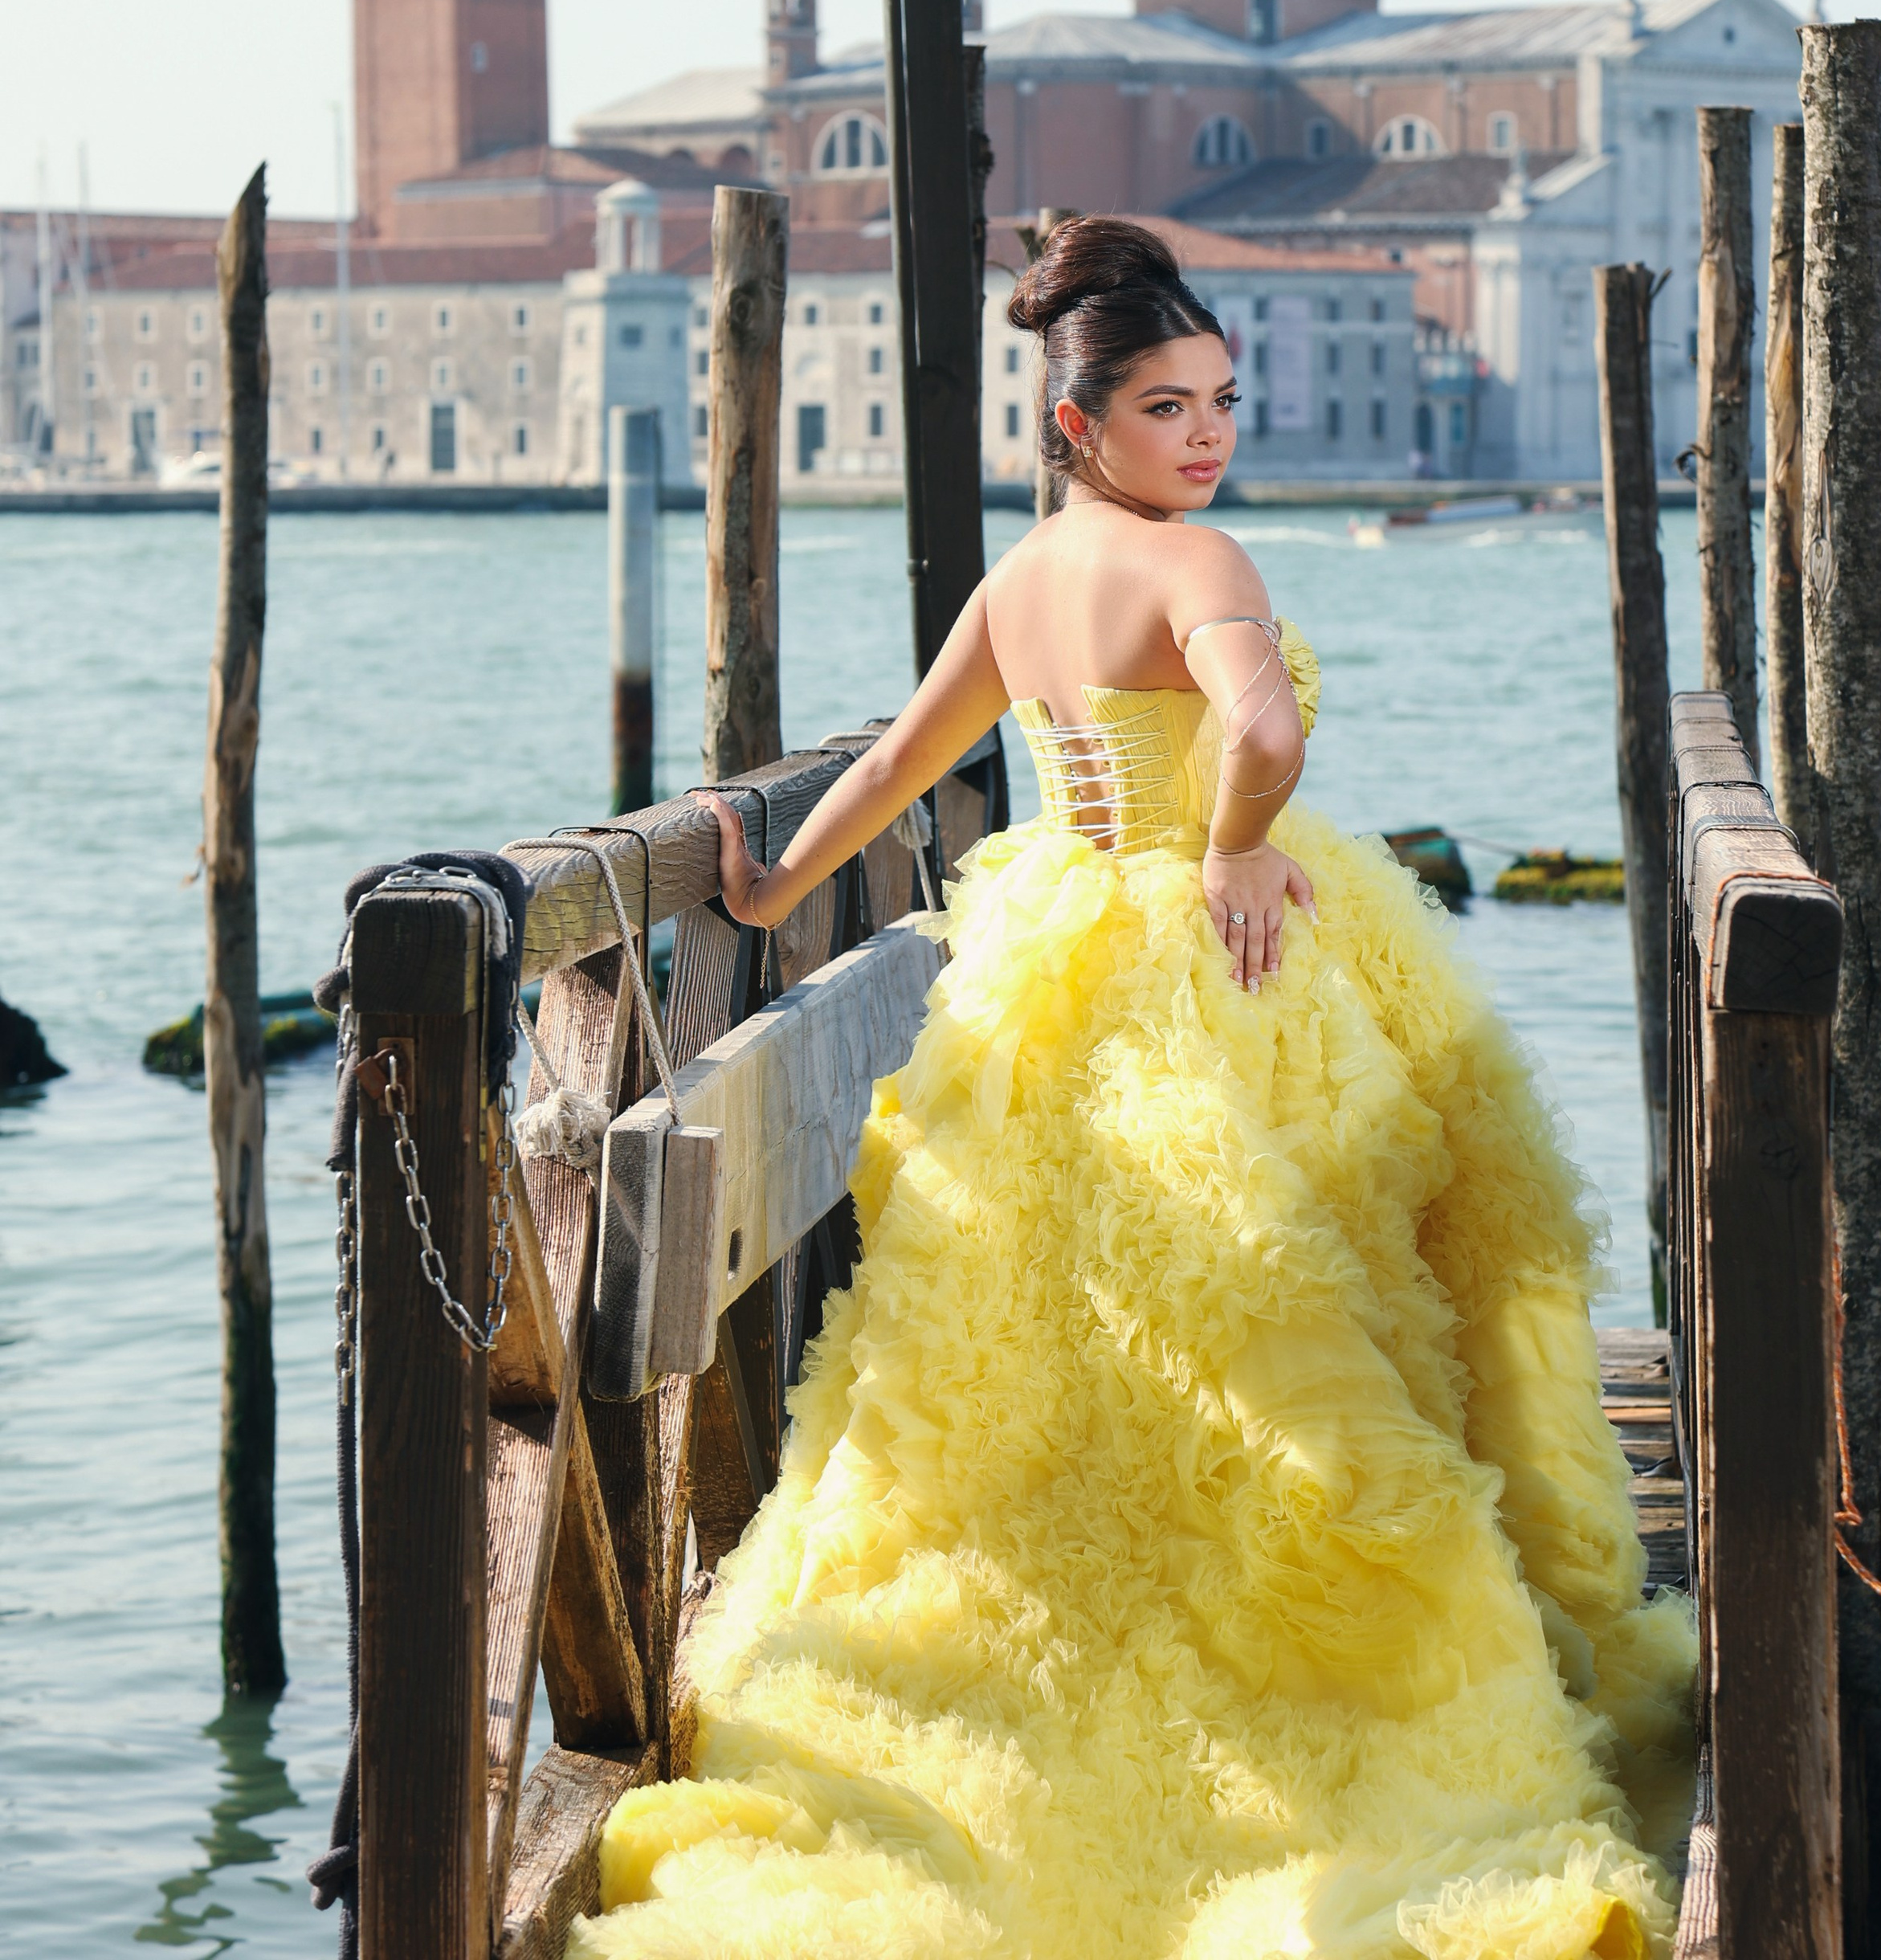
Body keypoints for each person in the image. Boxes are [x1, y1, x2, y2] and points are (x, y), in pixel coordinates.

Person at [576, 218, 1694, 1960]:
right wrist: (1238, 850)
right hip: (1219, 972)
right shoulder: (1201, 563)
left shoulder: (1018, 585)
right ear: (1077, 422)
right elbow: (1258, 731)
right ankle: (1320, 1701)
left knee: (1064, 1322)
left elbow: (899, 761)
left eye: (1222, 402)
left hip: (1056, 963)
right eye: (1168, 407)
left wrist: (772, 890)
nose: (1206, 435)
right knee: (1314, 1298)